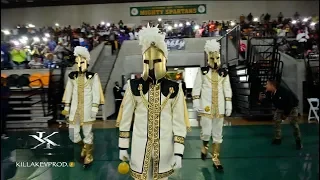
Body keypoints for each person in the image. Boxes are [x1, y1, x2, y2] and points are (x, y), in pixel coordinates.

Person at [116, 24, 190, 180]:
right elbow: (126, 119)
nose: (151, 65)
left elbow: (179, 122)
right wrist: (123, 146)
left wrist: (178, 152)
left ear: (164, 60)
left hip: (165, 151)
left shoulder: (174, 88)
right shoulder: (134, 86)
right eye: (147, 60)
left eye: (156, 60)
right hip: (139, 149)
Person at [192, 39, 232, 171]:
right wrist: (196, 101)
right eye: (212, 57)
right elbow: (197, 88)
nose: (215, 60)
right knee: (206, 131)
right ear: (208, 57)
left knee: (218, 133)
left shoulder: (224, 73)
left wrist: (228, 104)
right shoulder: (203, 72)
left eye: (217, 57)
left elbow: (227, 89)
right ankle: (204, 146)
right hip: (206, 107)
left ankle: (216, 158)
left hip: (219, 108)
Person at [61, 46, 105, 168]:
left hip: (87, 109)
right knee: (73, 135)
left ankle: (89, 155)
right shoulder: (72, 76)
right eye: (77, 63)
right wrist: (67, 107)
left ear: (87, 62)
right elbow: (69, 92)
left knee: (87, 132)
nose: (79, 65)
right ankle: (84, 146)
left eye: (82, 62)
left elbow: (96, 93)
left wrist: (94, 108)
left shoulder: (93, 76)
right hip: (74, 110)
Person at [259, 80, 302, 149]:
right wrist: (261, 100)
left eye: (267, 84)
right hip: (280, 107)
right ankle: (277, 139)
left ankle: (298, 141)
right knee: (276, 120)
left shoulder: (284, 91)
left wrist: (285, 115)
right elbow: (268, 101)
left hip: (292, 107)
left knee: (294, 124)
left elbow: (290, 104)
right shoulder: (268, 92)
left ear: (272, 86)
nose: (265, 86)